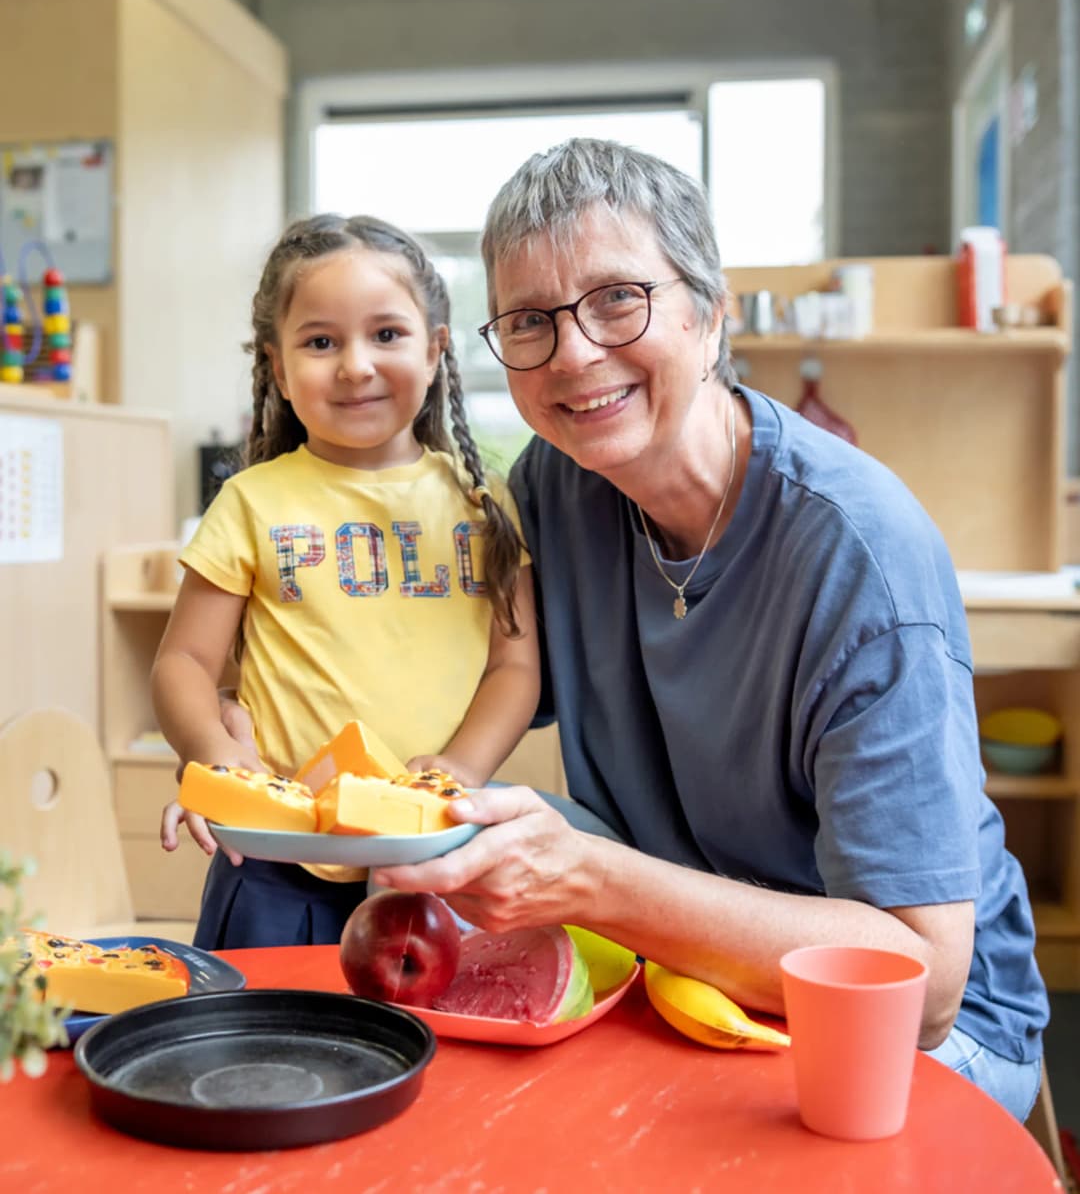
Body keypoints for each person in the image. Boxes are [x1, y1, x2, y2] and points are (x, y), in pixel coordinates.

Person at [364, 138, 1048, 1122]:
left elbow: (924, 980)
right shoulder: (558, 487)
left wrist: (591, 878)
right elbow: (448, 690)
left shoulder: (857, 554)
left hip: (929, 1029)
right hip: (693, 960)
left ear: (710, 310)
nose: (574, 355)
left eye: (616, 300)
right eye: (528, 322)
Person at [154, 214, 540, 949]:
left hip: (432, 860)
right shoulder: (251, 500)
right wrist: (212, 747)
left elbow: (514, 664)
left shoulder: (484, 500)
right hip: (273, 863)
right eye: (321, 341)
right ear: (277, 364)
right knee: (262, 1055)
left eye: (386, 335)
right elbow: (183, 662)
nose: (355, 365)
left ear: (435, 351)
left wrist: (461, 767)